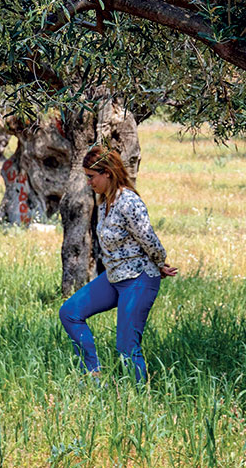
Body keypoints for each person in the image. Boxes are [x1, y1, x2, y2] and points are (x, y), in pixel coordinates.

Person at [59, 146, 179, 381]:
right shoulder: (105, 202)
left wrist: (160, 263)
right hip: (114, 277)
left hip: (138, 279)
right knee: (70, 312)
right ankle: (92, 375)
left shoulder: (128, 202)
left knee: (126, 347)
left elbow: (149, 239)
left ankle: (138, 399)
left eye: (91, 177)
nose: (88, 182)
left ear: (108, 174)